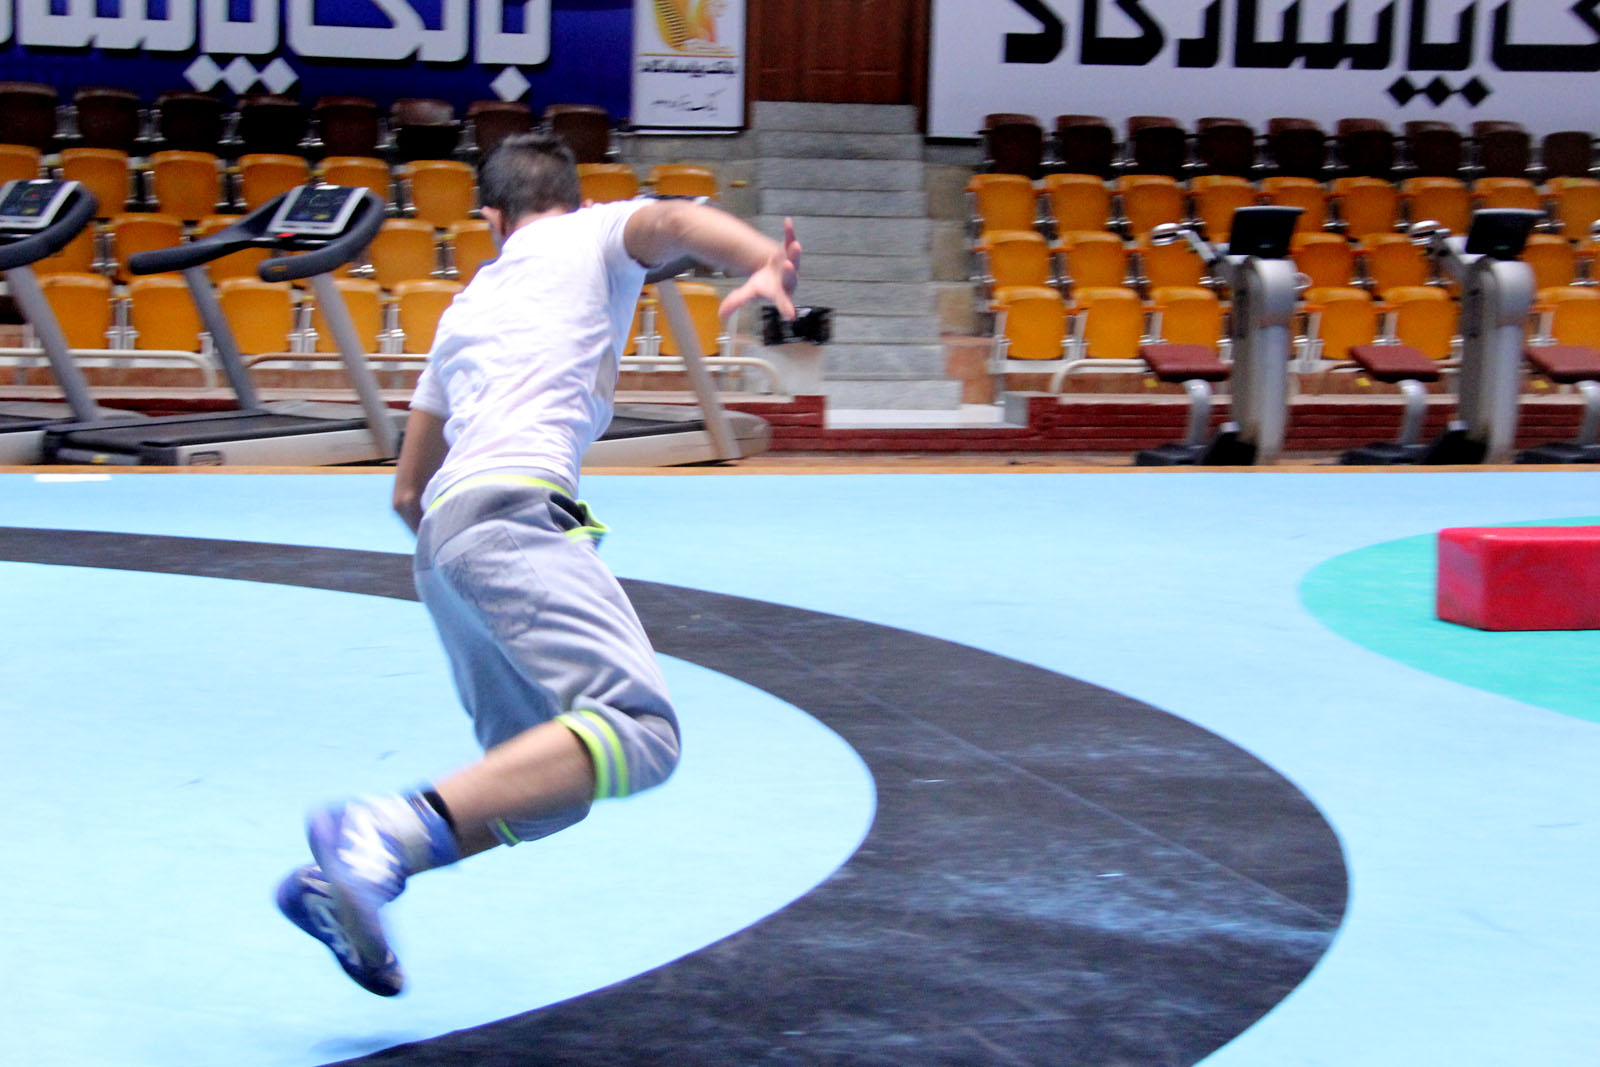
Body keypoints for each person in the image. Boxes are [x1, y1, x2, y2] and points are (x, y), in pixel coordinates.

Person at [274, 132, 801, 996]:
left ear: (492, 218)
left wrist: (473, 563)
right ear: (575, 198)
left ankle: (340, 885)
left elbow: (406, 492)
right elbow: (675, 219)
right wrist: (763, 258)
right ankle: (377, 833)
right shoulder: (594, 231)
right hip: (514, 515)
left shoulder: (465, 308)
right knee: (640, 732)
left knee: (546, 793)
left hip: (443, 549)